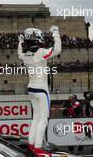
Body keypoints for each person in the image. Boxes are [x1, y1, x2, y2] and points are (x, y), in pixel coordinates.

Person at [18, 26, 61, 156]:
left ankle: (31, 145)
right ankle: (37, 147)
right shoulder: (41, 53)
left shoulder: (25, 55)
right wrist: (56, 34)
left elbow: (19, 53)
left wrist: (20, 41)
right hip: (41, 89)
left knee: (36, 118)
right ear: (37, 38)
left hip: (31, 88)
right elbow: (58, 49)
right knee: (43, 119)